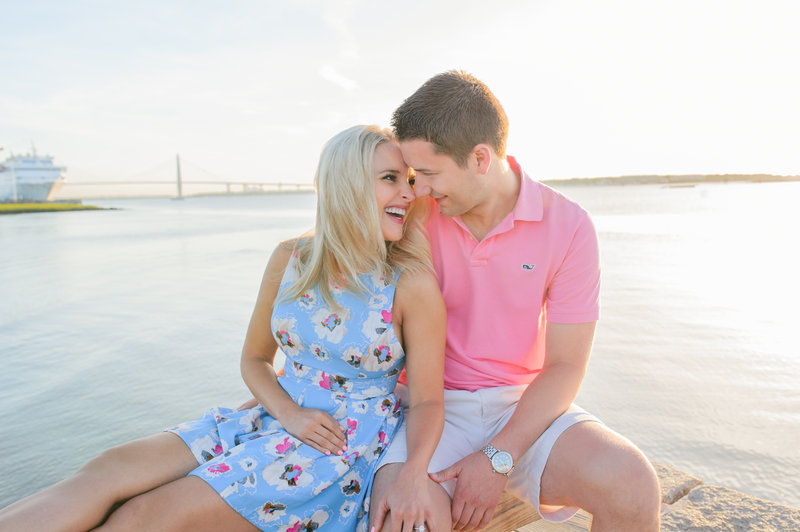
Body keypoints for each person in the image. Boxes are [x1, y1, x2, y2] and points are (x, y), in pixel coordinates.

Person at [0, 125, 447, 532]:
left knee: (144, 517)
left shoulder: (409, 284)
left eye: (409, 180)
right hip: (269, 413)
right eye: (391, 178)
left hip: (335, 446)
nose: (409, 193)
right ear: (345, 185)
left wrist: (412, 473)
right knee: (107, 469)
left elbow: (427, 400)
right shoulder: (292, 258)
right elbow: (255, 359)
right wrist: (287, 413)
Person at [368, 71, 661, 532]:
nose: (417, 189)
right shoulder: (416, 214)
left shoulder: (568, 226)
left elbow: (565, 365)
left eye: (427, 173)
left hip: (522, 408)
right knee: (403, 522)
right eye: (410, 175)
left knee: (632, 483)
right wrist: (292, 378)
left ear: (480, 158)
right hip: (426, 407)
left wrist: (498, 456)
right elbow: (339, 280)